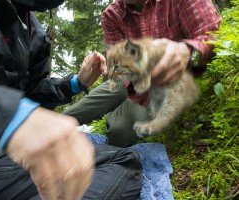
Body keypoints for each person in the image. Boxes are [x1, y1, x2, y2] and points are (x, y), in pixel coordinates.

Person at [0, 0, 143, 199]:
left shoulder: (32, 30)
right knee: (123, 162)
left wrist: (76, 83)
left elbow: (32, 90)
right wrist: (9, 117)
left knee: (113, 164)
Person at [65, 0, 222, 147]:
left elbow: (213, 36)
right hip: (133, 80)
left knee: (119, 132)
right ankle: (51, 127)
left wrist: (188, 52)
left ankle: (120, 114)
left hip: (171, 83)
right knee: (96, 99)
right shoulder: (112, 15)